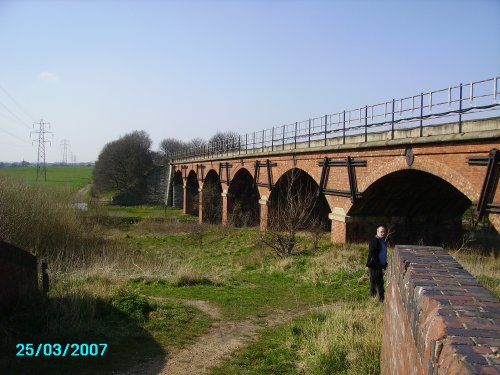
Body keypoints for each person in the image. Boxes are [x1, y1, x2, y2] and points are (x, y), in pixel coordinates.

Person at [366, 225, 387, 302]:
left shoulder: (381, 241)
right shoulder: (375, 241)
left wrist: (384, 263)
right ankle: (380, 300)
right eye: (381, 232)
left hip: (378, 265)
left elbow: (381, 253)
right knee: (379, 283)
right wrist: (380, 265)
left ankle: (374, 297)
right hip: (375, 266)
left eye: (384, 232)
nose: (383, 233)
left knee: (374, 282)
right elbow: (373, 255)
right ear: (377, 232)